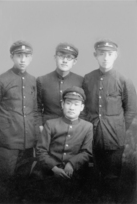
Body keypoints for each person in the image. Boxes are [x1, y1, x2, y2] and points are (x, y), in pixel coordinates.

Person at [82, 40, 137, 201]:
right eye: (101, 54)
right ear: (95, 56)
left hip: (114, 138)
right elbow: (83, 107)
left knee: (112, 179)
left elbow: (131, 109)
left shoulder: (123, 80)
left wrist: (119, 128)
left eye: (109, 54)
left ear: (115, 56)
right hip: (91, 137)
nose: (105, 58)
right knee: (91, 177)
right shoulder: (88, 78)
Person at [0, 40, 39, 203]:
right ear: (12, 57)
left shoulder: (33, 81)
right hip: (7, 145)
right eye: (19, 55)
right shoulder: (0, 81)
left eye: (26, 56)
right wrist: (5, 132)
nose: (22, 59)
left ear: (31, 58)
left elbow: (35, 111)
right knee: (4, 184)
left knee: (22, 183)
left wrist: (34, 134)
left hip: (27, 143)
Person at [36, 86, 93, 203]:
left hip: (75, 174)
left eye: (76, 104)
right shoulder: (50, 124)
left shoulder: (87, 126)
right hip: (50, 173)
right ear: (62, 105)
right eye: (68, 103)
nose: (72, 107)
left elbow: (87, 152)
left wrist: (71, 164)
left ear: (82, 107)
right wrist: (54, 168)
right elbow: (41, 151)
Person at [36, 43, 84, 133]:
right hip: (48, 129)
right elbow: (37, 108)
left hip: (73, 130)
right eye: (61, 56)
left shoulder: (81, 81)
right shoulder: (42, 80)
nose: (65, 60)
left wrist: (79, 128)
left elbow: (84, 109)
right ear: (55, 57)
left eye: (69, 57)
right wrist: (40, 126)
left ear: (75, 61)